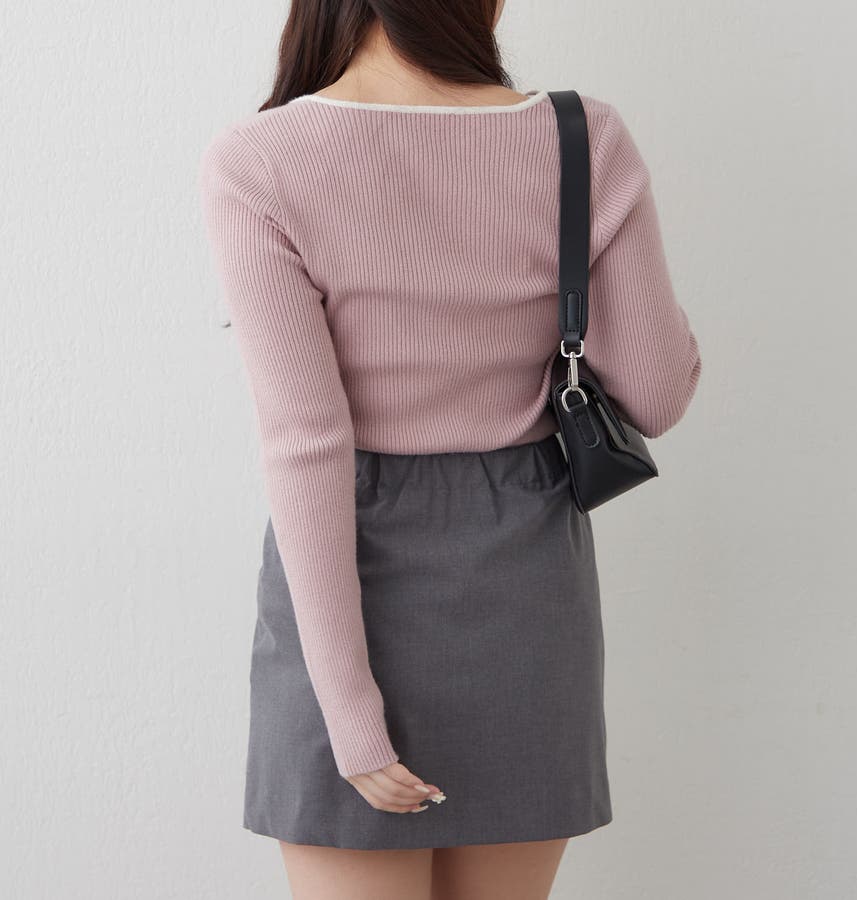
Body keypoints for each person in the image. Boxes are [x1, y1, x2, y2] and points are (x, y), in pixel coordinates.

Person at [198, 0, 702, 897]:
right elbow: (658, 395)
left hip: (340, 600)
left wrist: (350, 713)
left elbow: (308, 443)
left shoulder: (260, 158)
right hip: (527, 587)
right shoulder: (582, 138)